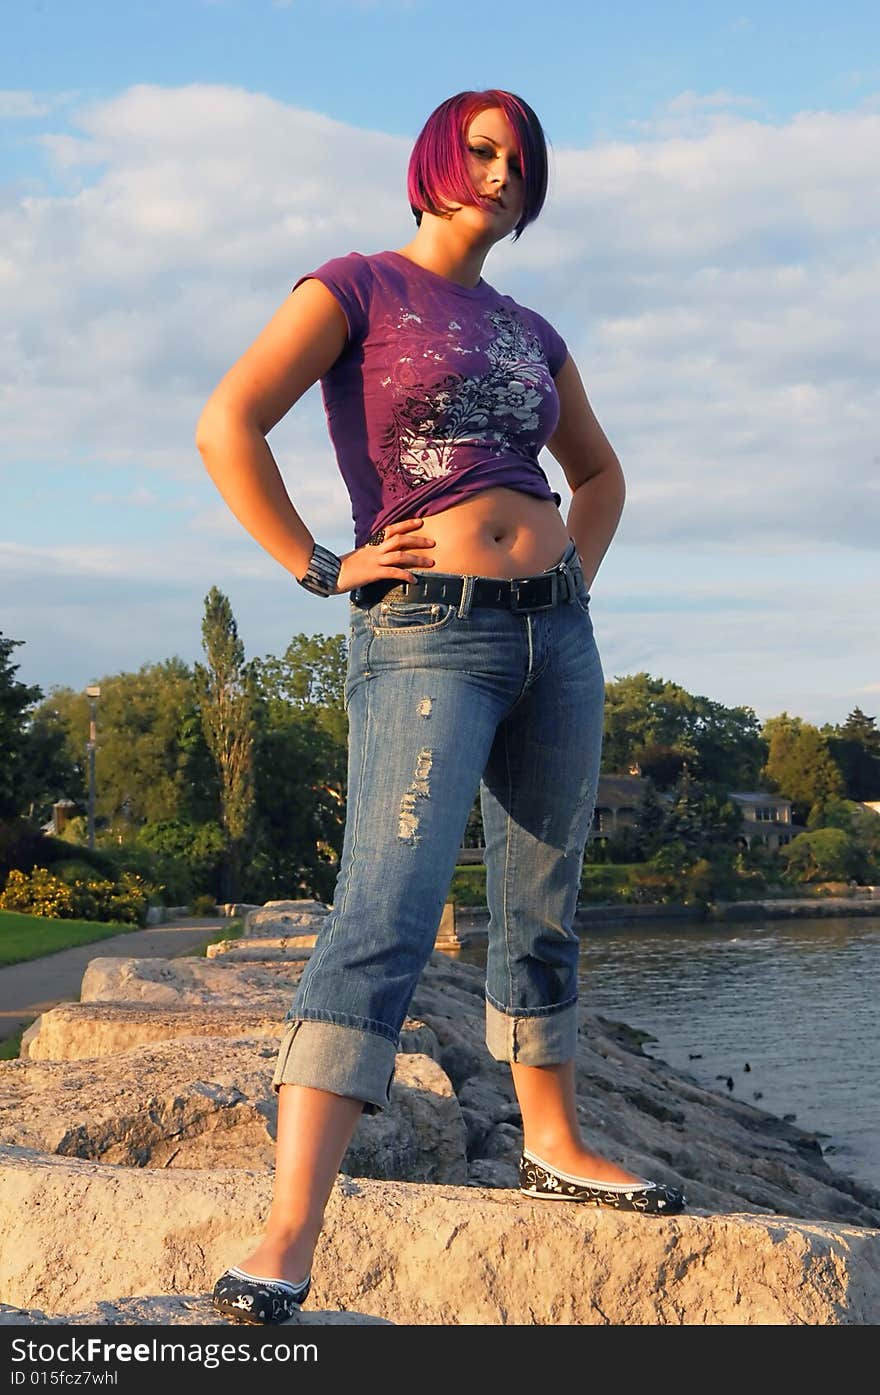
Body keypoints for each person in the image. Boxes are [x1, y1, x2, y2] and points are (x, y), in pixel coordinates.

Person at [196, 88, 685, 1325]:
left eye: (520, 158)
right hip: (427, 634)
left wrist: (572, 574)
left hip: (553, 640)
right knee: (386, 907)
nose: (501, 171)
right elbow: (227, 424)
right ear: (432, 159)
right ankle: (290, 1230)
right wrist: (321, 565)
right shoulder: (356, 288)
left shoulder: (531, 328)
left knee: (541, 899)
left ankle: (551, 1142)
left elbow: (599, 471)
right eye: (481, 149)